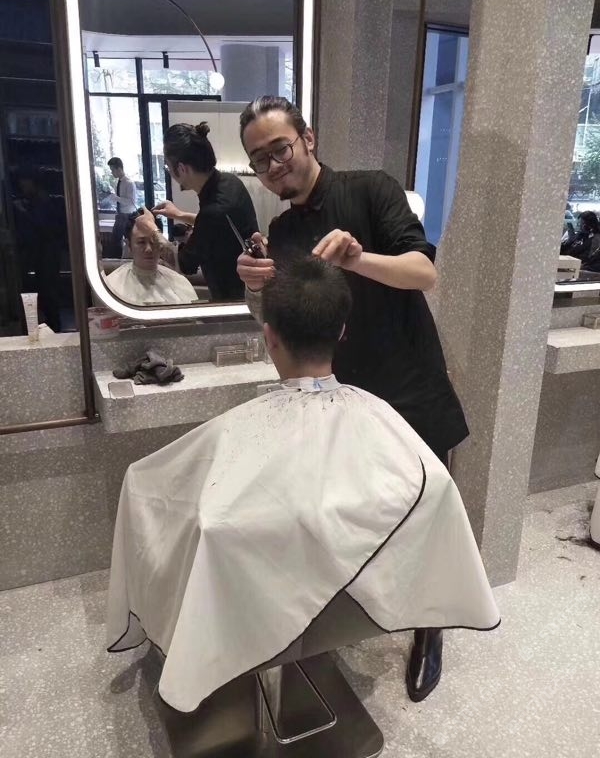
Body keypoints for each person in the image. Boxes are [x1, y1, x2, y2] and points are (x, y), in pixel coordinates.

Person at [106, 256, 500, 713]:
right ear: (342, 332)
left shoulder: (243, 430)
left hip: (257, 608)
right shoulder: (385, 420)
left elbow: (166, 497)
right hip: (355, 612)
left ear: (269, 337)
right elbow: (432, 494)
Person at [236, 96, 469, 702]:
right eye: (259, 160)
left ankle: (430, 628)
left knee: (424, 516)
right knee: (356, 517)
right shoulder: (282, 232)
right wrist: (256, 288)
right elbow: (290, 322)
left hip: (409, 384)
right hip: (343, 400)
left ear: (308, 138)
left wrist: (360, 257)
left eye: (280, 149)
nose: (273, 166)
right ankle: (362, 608)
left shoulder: (372, 189)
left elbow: (424, 273)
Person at [152, 122, 258, 301]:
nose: (169, 172)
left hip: (235, 302)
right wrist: (179, 215)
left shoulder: (214, 211)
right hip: (246, 292)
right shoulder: (230, 182)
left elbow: (183, 263)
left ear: (182, 169)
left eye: (168, 167)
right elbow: (216, 228)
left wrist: (152, 230)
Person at [104, 209, 197, 305]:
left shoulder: (179, 282)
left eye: (154, 241)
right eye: (141, 242)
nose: (149, 249)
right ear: (129, 245)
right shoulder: (112, 286)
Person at [13, 167, 67, 332]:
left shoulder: (42, 200)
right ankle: (52, 325)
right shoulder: (37, 199)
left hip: (48, 251)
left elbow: (42, 226)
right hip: (45, 251)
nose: (22, 186)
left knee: (48, 290)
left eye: (24, 183)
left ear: (32, 182)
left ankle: (54, 326)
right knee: (46, 290)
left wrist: (23, 211)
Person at [105, 157, 137, 259]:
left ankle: (120, 260)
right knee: (116, 240)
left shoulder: (129, 183)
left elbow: (131, 202)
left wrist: (117, 198)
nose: (112, 173)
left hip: (127, 215)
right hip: (120, 214)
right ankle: (118, 260)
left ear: (119, 169)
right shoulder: (118, 183)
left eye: (112, 170)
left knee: (121, 240)